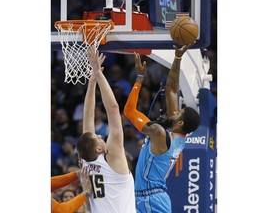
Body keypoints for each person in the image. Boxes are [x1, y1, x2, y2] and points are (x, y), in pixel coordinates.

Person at [123, 43, 200, 213]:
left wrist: (139, 79)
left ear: (180, 122)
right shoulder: (175, 133)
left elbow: (129, 112)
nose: (174, 111)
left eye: (178, 112)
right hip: (146, 196)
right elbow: (171, 89)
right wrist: (178, 57)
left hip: (151, 198)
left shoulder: (159, 133)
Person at [76, 47, 136, 213]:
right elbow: (113, 108)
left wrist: (93, 79)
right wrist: (97, 74)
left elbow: (88, 116)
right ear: (98, 148)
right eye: (98, 137)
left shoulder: (87, 161)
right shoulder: (113, 158)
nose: (100, 135)